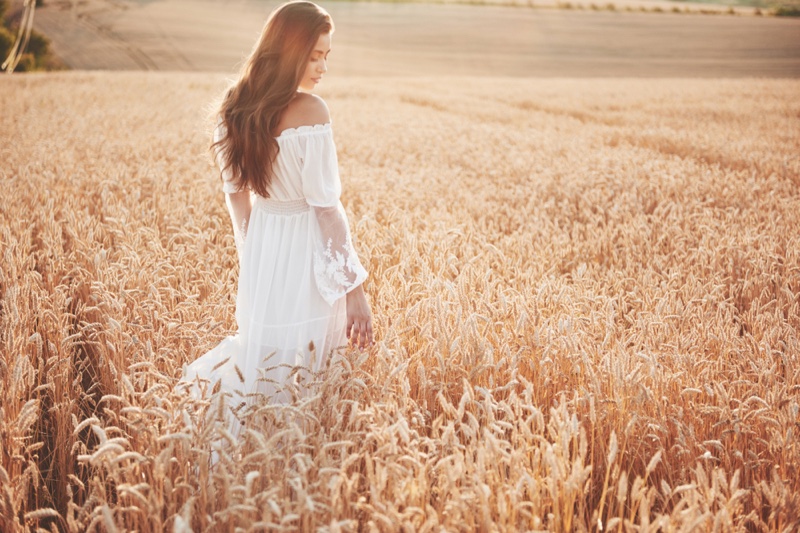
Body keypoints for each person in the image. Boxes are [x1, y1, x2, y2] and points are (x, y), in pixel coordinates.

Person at [180, 1, 373, 410]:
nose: (322, 67)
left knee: (264, 362)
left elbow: (236, 197)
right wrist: (354, 290)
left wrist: (255, 259)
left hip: (263, 253)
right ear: (290, 52)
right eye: (314, 55)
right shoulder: (312, 112)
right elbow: (326, 209)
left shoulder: (233, 110)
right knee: (311, 373)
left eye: (327, 56)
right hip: (307, 254)